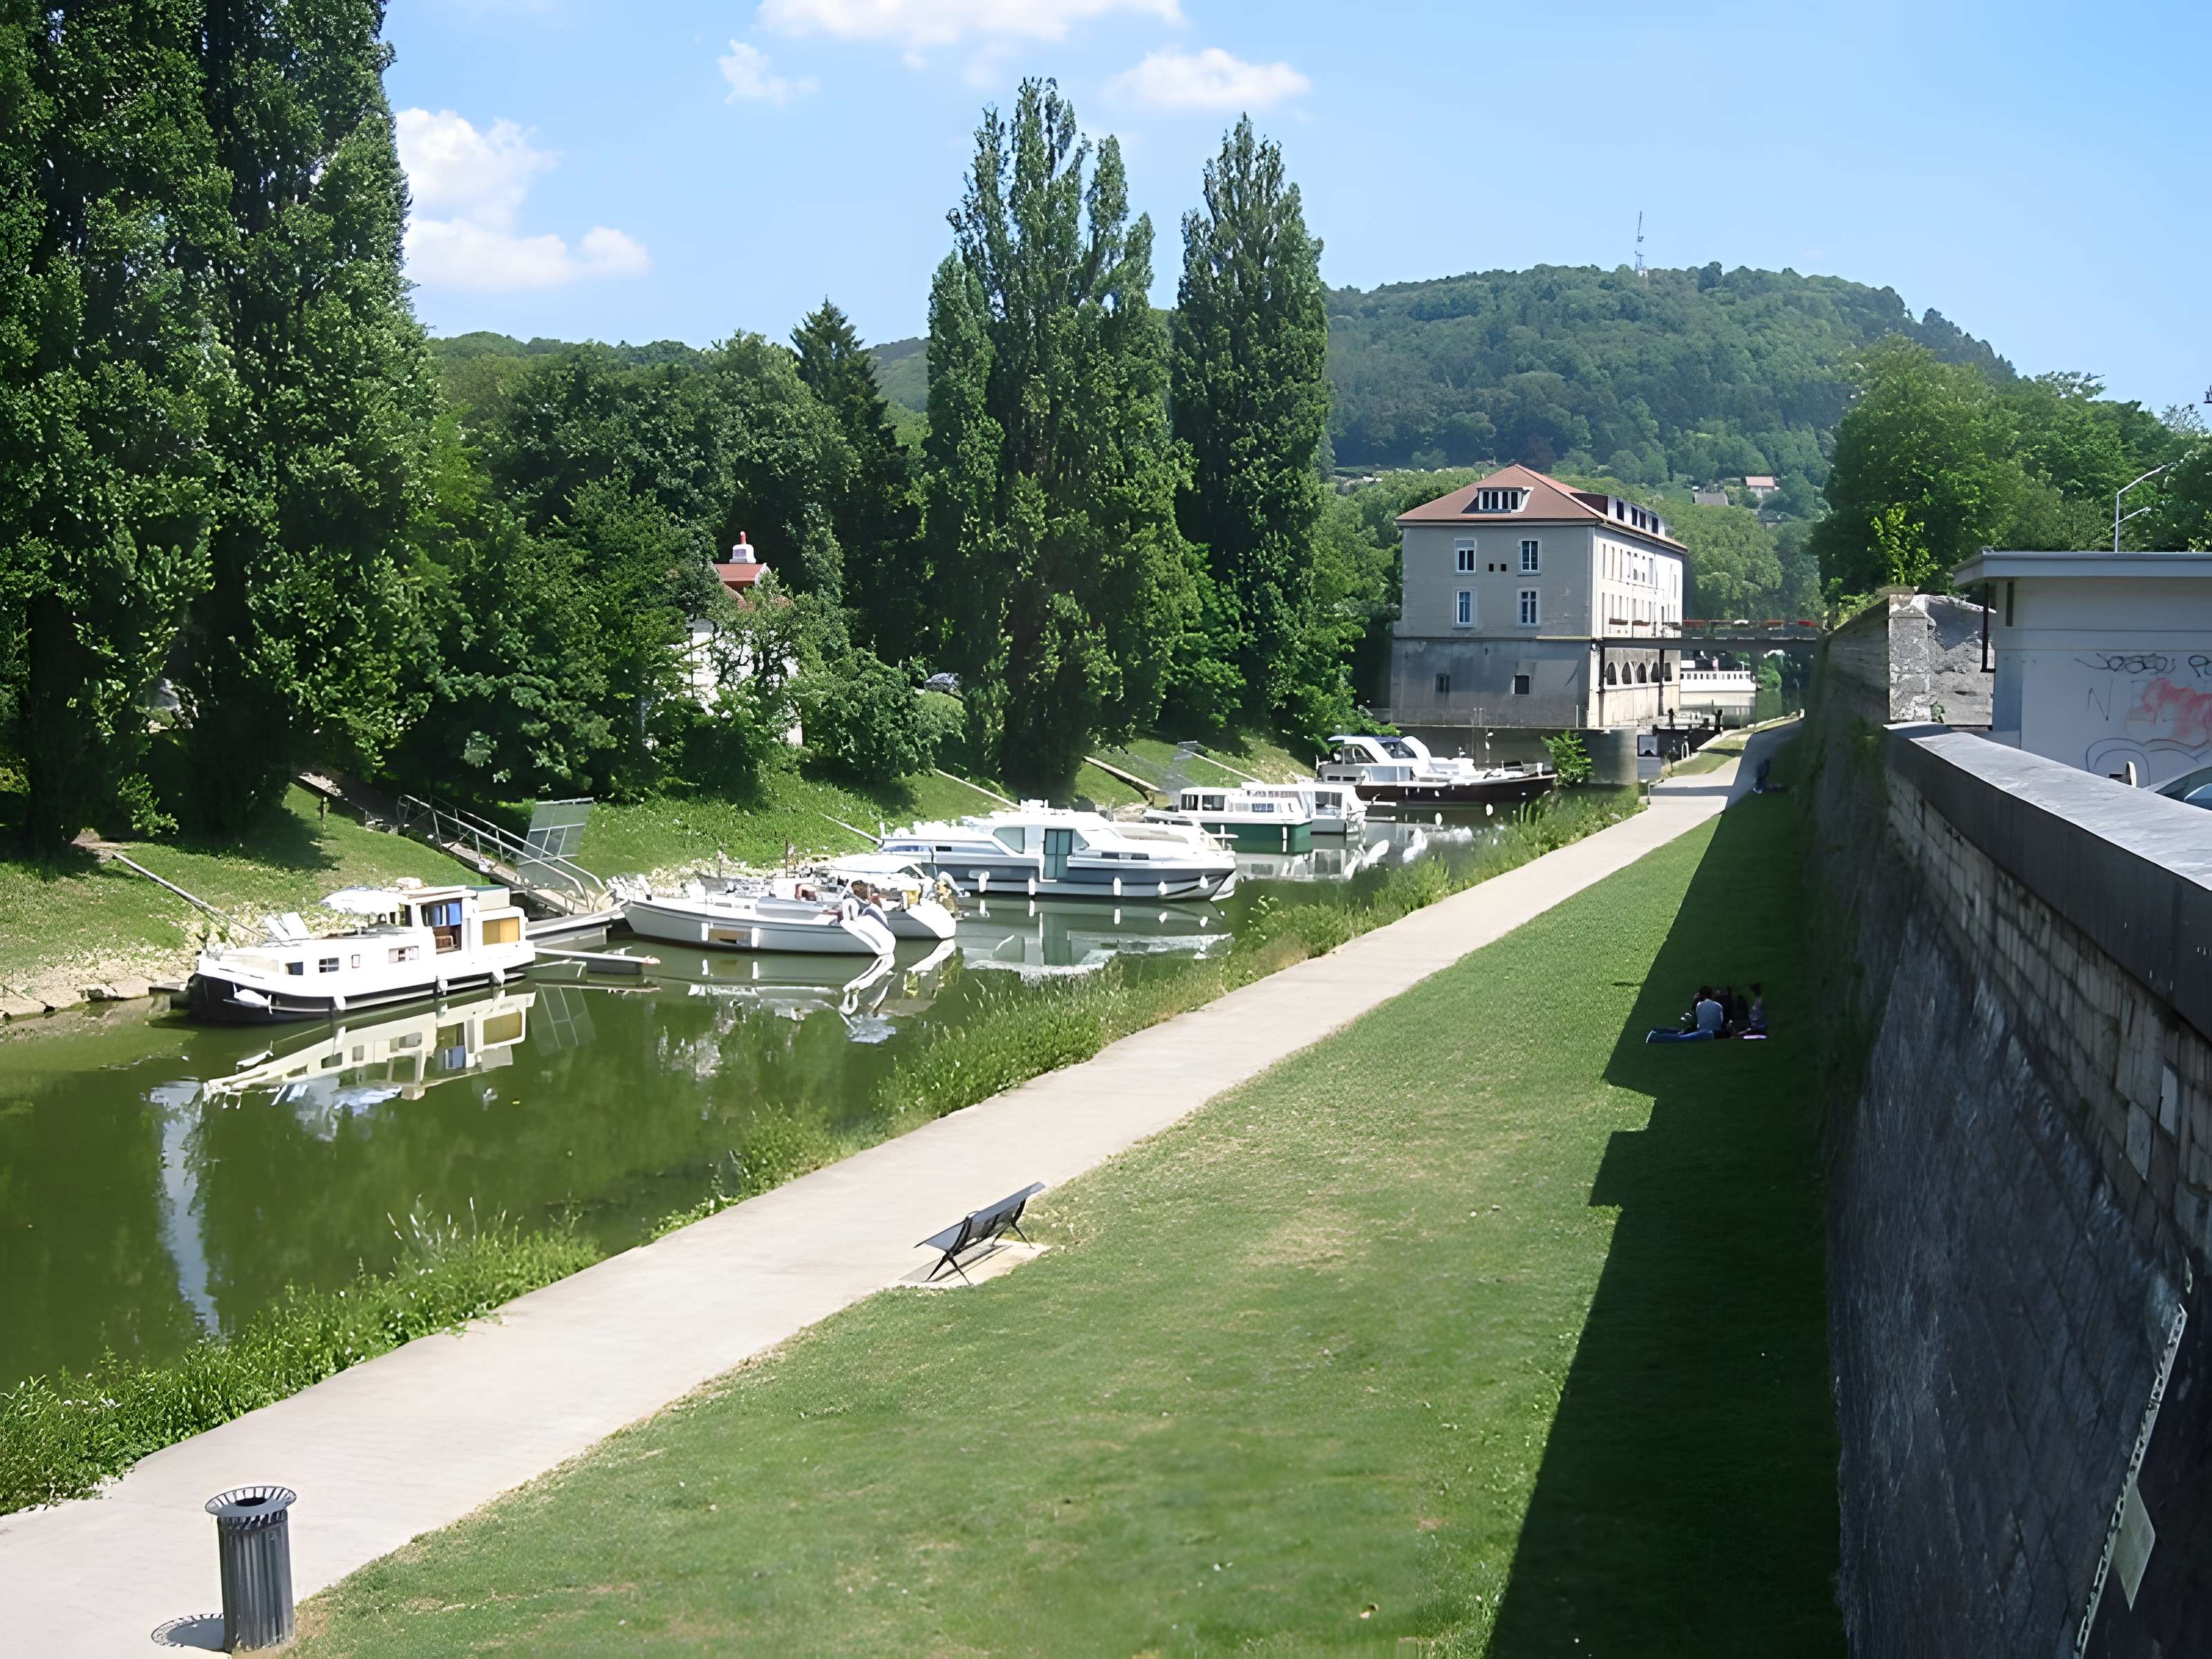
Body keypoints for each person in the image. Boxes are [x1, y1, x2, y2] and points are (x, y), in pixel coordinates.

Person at [1647, 986, 1725, 1044]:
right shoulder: (1716, 1006)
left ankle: (1656, 1033)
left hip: (1703, 1030)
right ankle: (1655, 1036)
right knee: (1682, 1037)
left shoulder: (1700, 1005)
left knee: (1682, 1036)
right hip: (1706, 1031)